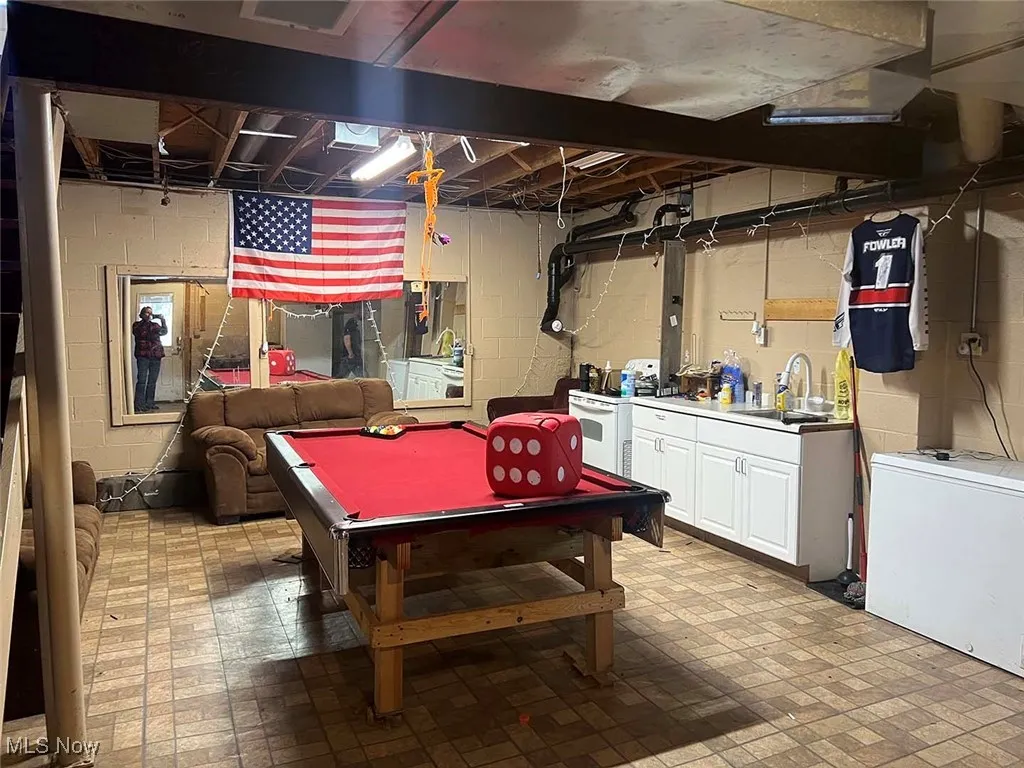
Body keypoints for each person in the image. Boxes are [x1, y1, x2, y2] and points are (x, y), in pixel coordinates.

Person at [132, 306, 167, 411]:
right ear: (141, 314)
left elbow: (164, 332)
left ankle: (150, 403)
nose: (149, 314)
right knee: (142, 380)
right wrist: (147, 321)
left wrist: (163, 320)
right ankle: (139, 404)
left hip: (156, 356)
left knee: (152, 381)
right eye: (146, 313)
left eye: (150, 313)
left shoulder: (155, 325)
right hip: (143, 356)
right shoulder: (137, 325)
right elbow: (142, 333)